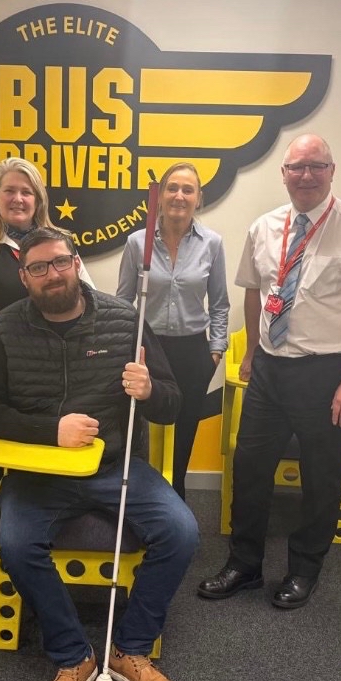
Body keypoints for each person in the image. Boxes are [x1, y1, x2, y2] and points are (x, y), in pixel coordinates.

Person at [0, 227, 199, 681]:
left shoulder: (125, 320)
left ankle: (129, 648)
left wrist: (151, 390)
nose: (53, 274)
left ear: (76, 262)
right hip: (38, 473)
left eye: (60, 262)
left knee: (182, 531)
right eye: (39, 267)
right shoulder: (4, 330)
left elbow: (173, 405)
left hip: (115, 466)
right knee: (18, 546)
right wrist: (50, 430)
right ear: (23, 276)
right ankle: (73, 657)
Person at [198, 135, 341, 610]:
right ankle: (244, 565)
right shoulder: (264, 227)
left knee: (322, 477)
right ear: (282, 174)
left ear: (332, 170)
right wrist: (250, 354)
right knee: (249, 469)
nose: (306, 176)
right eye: (297, 168)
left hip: (328, 373)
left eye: (316, 166)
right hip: (268, 369)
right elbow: (253, 290)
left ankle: (305, 569)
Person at [116, 162, 229, 500]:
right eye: (172, 188)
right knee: (141, 427)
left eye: (188, 189)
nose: (179, 195)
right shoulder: (138, 243)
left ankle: (175, 493)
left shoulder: (212, 244)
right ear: (160, 196)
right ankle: (140, 495)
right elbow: (123, 300)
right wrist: (123, 347)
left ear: (198, 199)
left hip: (194, 351)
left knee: (184, 427)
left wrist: (216, 349)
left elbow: (220, 302)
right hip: (148, 348)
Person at [0, 157, 93, 361]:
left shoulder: (60, 243)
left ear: (38, 200)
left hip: (57, 352)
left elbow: (89, 294)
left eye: (26, 192)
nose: (17, 199)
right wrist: (23, 335)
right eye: (9, 191)